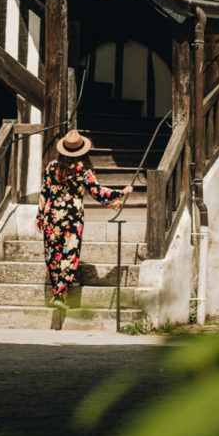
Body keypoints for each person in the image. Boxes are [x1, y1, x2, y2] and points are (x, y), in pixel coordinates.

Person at [36, 129, 133, 310]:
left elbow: (44, 192)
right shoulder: (83, 170)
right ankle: (60, 294)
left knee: (53, 253)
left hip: (52, 216)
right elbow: (98, 192)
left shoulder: (51, 167)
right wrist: (121, 192)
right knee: (69, 253)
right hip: (73, 217)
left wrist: (39, 216)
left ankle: (57, 291)